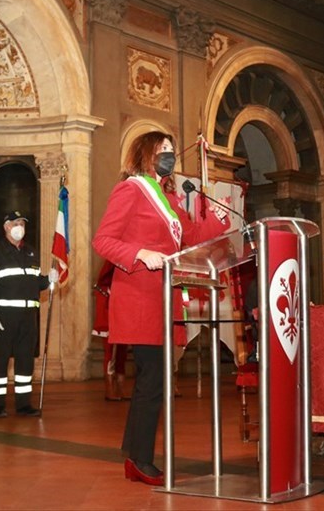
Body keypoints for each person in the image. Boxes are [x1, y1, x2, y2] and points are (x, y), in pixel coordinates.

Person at [92, 131, 230, 486]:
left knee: (153, 379)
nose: (170, 154)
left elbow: (191, 238)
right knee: (152, 379)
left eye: (171, 149)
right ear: (145, 153)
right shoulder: (130, 189)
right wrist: (140, 253)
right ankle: (140, 460)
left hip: (164, 297)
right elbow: (103, 240)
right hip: (140, 297)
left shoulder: (168, 199)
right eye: (163, 149)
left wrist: (216, 219)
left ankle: (135, 453)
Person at [0, 211, 58, 418]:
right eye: (16, 223)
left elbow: (34, 283)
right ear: (6, 226)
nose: (20, 227)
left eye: (22, 223)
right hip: (3, 317)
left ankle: (23, 404)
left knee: (25, 361)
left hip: (28, 318)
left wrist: (48, 280)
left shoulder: (30, 252)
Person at [92, 260, 129, 401]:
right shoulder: (108, 272)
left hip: (123, 312)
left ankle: (120, 385)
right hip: (109, 316)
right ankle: (109, 387)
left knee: (122, 352)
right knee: (110, 352)